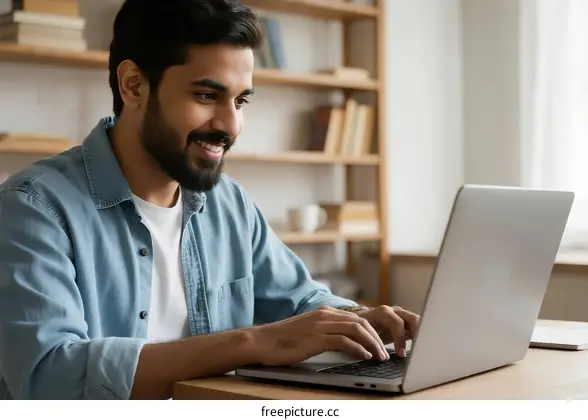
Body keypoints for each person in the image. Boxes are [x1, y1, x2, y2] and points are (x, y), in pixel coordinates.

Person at [0, 0, 420, 400]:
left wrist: (360, 320)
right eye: (206, 96)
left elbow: (303, 302)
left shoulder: (227, 202)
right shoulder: (32, 208)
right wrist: (251, 341)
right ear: (134, 85)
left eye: (240, 100)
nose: (231, 125)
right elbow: (50, 378)